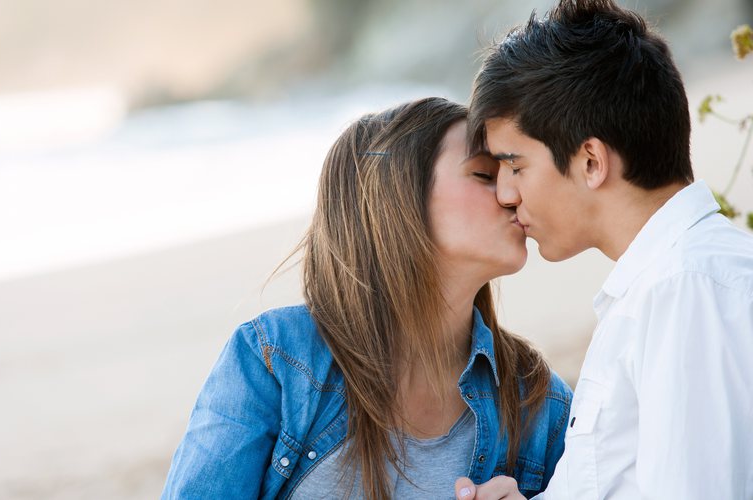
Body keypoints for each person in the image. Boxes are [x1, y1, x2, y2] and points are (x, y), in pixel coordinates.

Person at [161, 97, 572, 499]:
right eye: (485, 174)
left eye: (513, 169)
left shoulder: (540, 403)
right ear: (397, 200)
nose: (511, 193)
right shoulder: (276, 360)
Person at [456, 0, 753, 499]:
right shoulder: (662, 286)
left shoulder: (687, 288)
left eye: (514, 164)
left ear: (591, 161)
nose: (505, 194)